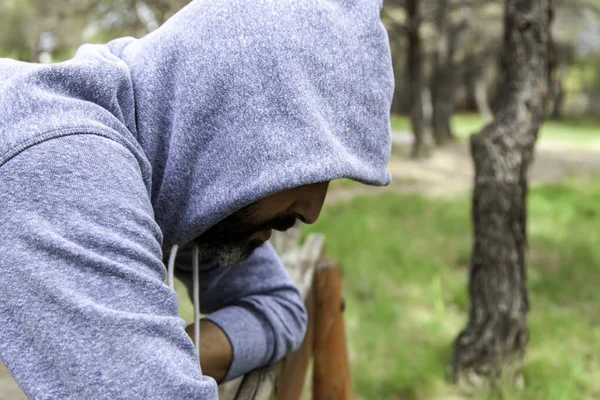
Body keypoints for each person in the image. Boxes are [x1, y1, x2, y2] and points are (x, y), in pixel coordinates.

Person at [0, 0, 394, 398]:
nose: (313, 211)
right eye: (310, 165)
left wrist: (174, 356)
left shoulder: (173, 179)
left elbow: (280, 305)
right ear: (231, 120)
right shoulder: (61, 158)